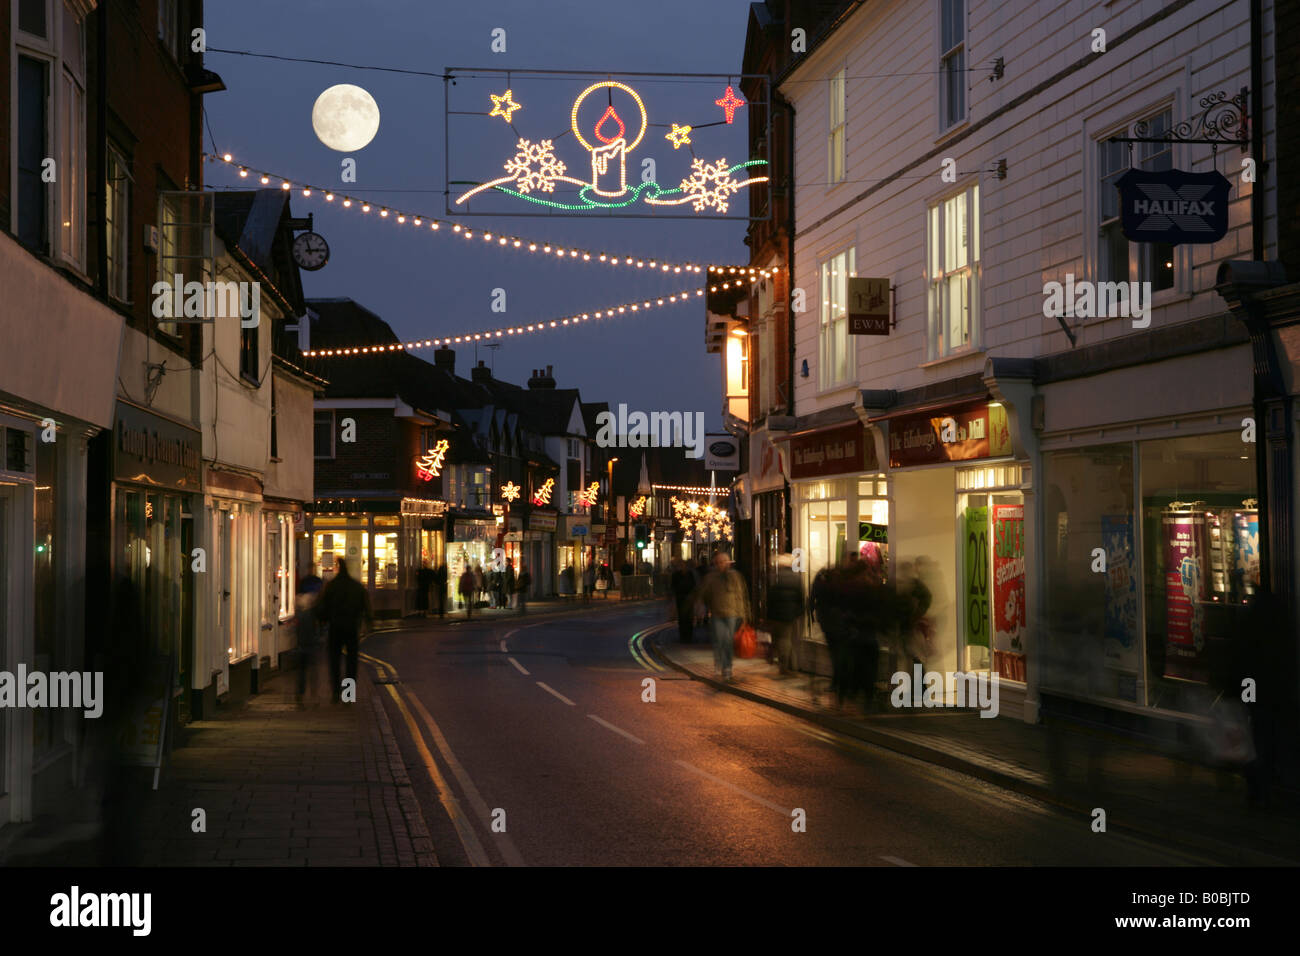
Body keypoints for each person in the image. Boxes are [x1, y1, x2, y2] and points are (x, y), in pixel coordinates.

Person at [315, 559, 372, 703]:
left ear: (338, 568)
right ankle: (348, 695)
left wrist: (322, 621)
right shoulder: (356, 586)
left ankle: (335, 692)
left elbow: (322, 607)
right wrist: (368, 623)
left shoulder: (331, 586)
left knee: (334, 660)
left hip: (335, 628)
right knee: (351, 662)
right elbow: (366, 606)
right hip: (352, 627)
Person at [695, 551, 750, 682]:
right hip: (717, 614)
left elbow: (742, 596)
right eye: (718, 562)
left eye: (723, 562)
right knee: (719, 641)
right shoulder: (710, 578)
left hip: (732, 614)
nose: (721, 565)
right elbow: (703, 595)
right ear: (715, 564)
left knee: (728, 642)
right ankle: (719, 661)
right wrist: (702, 608)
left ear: (728, 563)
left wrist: (745, 615)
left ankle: (727, 668)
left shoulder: (736, 576)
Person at [767, 554, 804, 675]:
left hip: (776, 613)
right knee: (786, 639)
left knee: (778, 638)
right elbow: (800, 596)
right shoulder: (796, 578)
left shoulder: (775, 577)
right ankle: (786, 665)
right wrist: (799, 611)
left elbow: (770, 597)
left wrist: (768, 613)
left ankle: (781, 663)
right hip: (789, 614)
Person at [296, 564, 324, 699]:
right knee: (312, 667)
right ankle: (314, 692)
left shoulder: (304, 583)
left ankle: (301, 692)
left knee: (303, 667)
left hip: (303, 642)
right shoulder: (317, 582)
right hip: (311, 642)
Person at [670, 558, 697, 643]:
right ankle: (683, 636)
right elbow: (673, 587)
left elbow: (694, 585)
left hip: (689, 599)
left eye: (683, 565)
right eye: (680, 565)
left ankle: (688, 636)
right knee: (682, 618)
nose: (682, 567)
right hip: (680, 598)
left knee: (689, 618)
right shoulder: (676, 575)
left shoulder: (690, 574)